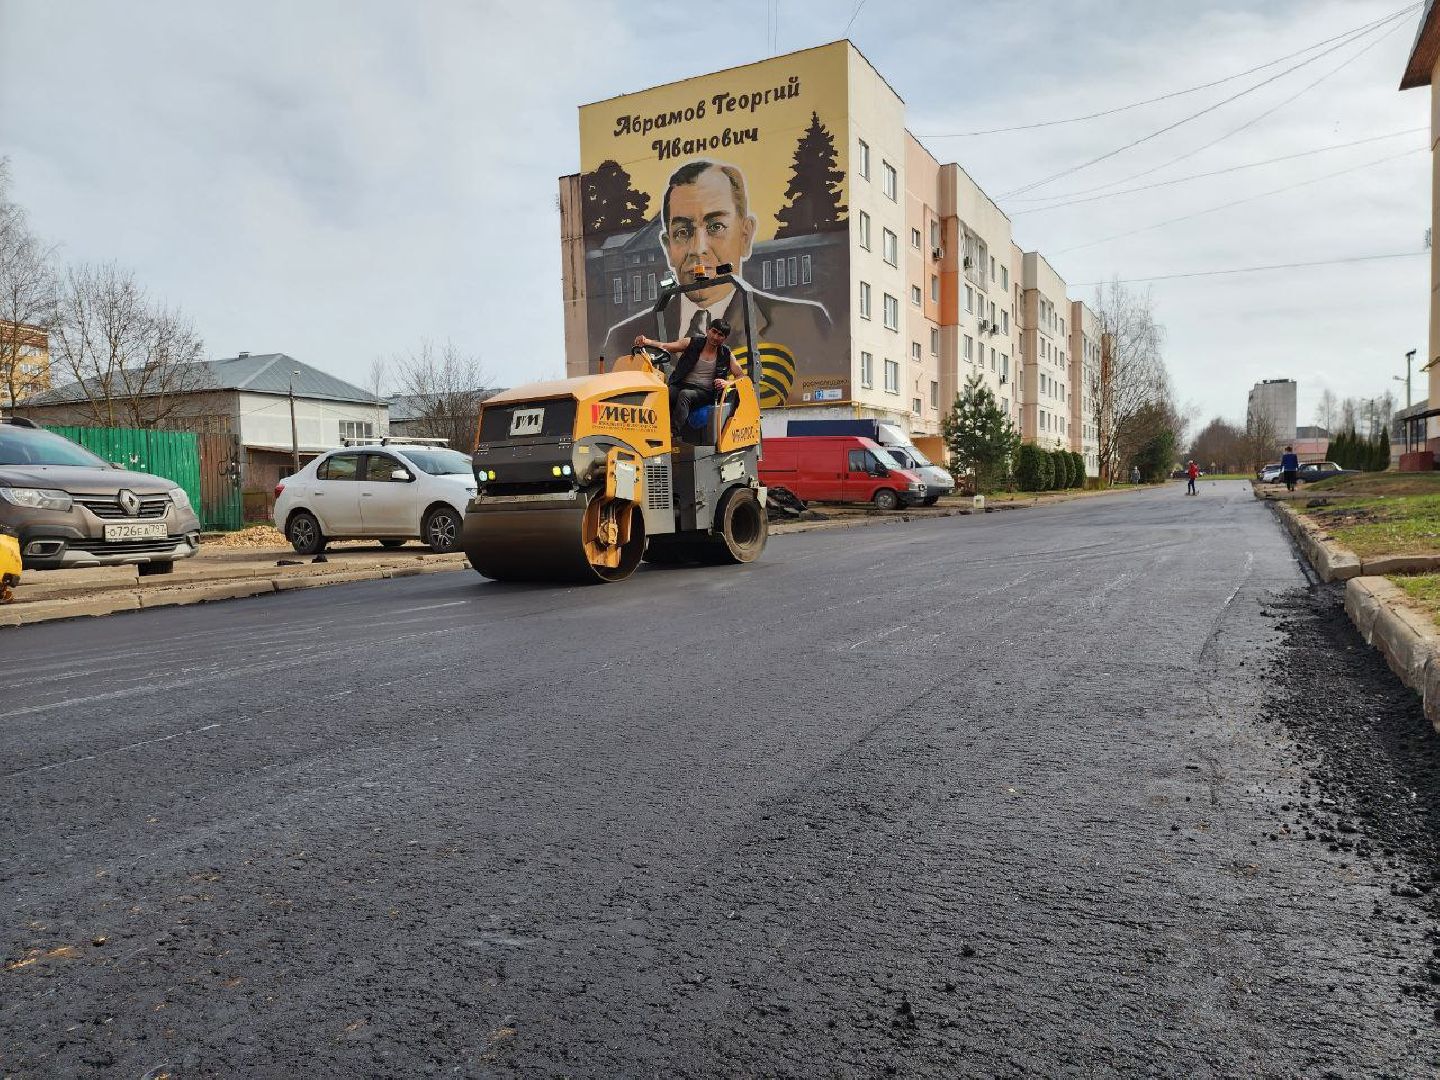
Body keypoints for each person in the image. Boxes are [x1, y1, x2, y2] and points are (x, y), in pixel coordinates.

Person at [601, 160, 831, 384]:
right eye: (683, 232)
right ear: (668, 246)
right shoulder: (621, 338)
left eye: (715, 226)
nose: (698, 248)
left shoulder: (805, 324)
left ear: (745, 235)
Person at [635, 318, 745, 433]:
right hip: (682, 385)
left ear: (724, 338)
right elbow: (665, 346)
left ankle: (672, 433)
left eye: (720, 335)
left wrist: (727, 383)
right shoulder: (691, 343)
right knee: (665, 392)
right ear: (707, 330)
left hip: (707, 393)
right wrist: (647, 342)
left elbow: (741, 376)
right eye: (714, 331)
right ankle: (651, 428)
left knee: (685, 394)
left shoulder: (726, 354)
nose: (715, 337)